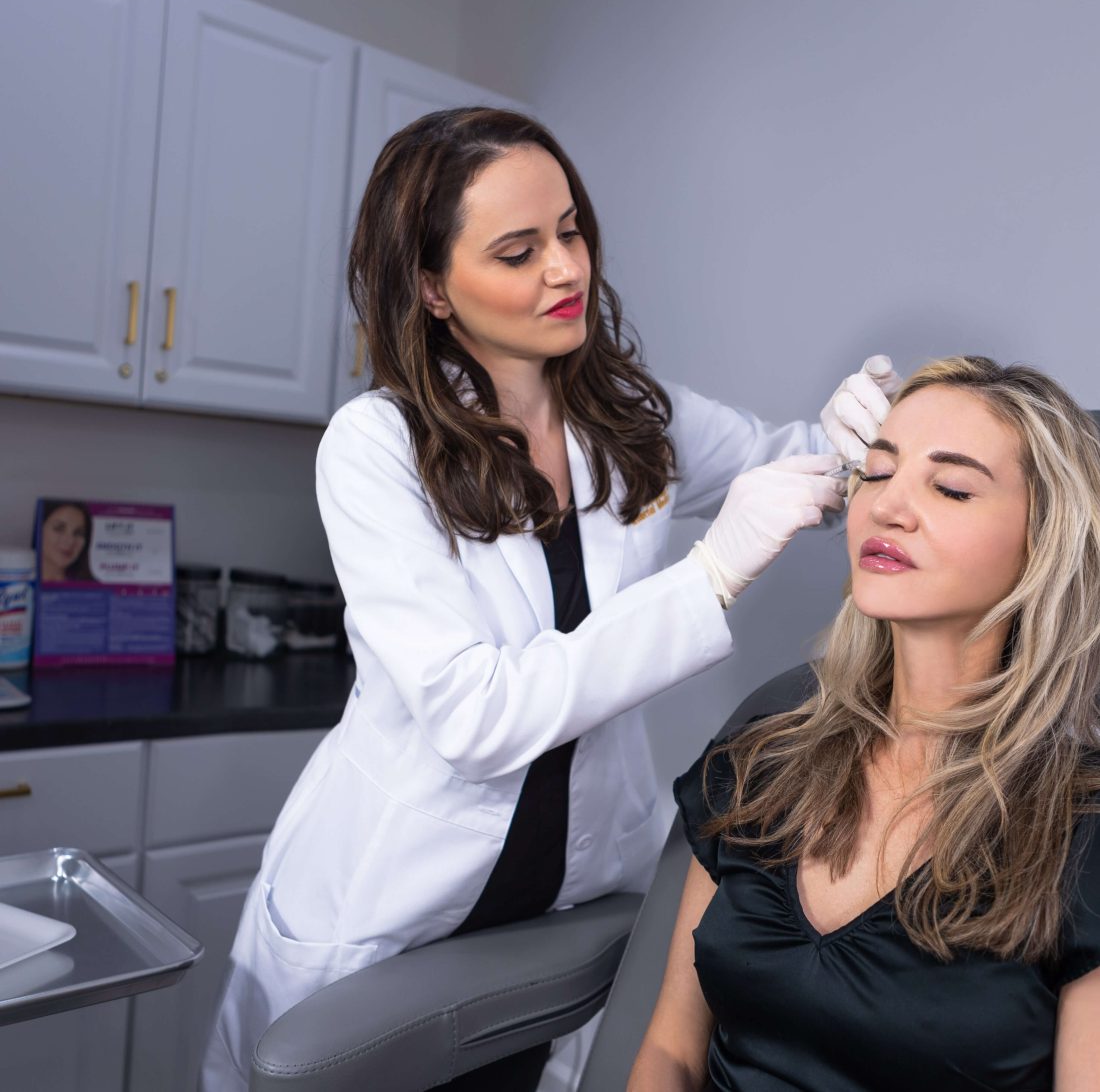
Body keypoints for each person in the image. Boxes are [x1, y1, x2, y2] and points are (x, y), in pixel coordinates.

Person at [202, 107, 898, 1091]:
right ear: (433, 286)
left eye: (570, 231)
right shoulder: (375, 446)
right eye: (518, 251)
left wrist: (864, 437)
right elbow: (474, 715)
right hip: (393, 906)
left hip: (567, 901)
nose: (567, 269)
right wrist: (707, 575)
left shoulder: (631, 417)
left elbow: (796, 471)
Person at [631, 355, 1100, 1092]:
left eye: (950, 488)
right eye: (877, 474)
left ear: (1044, 541)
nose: (888, 507)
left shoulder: (1080, 831)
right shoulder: (765, 758)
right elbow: (671, 1053)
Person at [37, 501, 94, 582]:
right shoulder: (23, 581)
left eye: (78, 533)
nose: (70, 541)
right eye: (59, 528)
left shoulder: (91, 586)